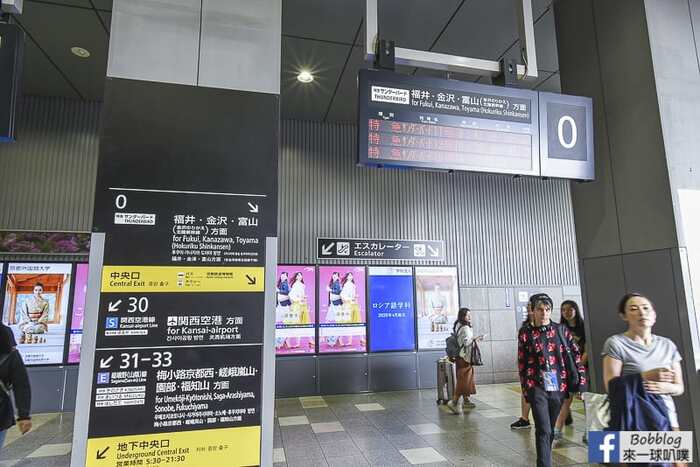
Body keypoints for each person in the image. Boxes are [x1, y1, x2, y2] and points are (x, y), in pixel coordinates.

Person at [517, 293, 586, 467]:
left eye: (547, 309)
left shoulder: (561, 330)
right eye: (540, 309)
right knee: (543, 429)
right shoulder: (525, 333)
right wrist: (525, 390)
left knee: (549, 431)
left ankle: (544, 457)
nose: (544, 313)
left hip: (558, 385)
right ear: (533, 311)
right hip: (536, 385)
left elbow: (576, 356)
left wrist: (582, 384)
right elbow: (522, 363)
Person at [602, 293, 684, 432]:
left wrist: (664, 388)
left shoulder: (667, 344)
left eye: (646, 308)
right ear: (624, 316)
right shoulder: (616, 343)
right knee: (634, 454)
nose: (641, 312)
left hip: (666, 419)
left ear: (654, 315)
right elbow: (611, 387)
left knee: (672, 454)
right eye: (633, 309)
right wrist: (646, 376)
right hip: (632, 419)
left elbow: (679, 387)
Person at [553, 300, 587, 439]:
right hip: (566, 369)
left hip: (583, 368)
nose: (567, 312)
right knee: (566, 399)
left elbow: (588, 349)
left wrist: (578, 365)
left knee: (586, 399)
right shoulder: (560, 328)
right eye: (563, 310)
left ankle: (589, 430)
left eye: (570, 309)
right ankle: (557, 429)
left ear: (576, 310)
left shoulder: (584, 327)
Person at [447, 308, 484, 414]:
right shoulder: (465, 328)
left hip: (460, 356)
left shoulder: (459, 326)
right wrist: (475, 338)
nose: (470, 317)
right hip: (464, 357)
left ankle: (466, 400)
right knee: (464, 380)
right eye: (468, 315)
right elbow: (467, 342)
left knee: (464, 378)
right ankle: (454, 402)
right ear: (463, 316)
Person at [0, 327, 31, 448]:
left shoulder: (11, 355)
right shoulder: (11, 354)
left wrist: (24, 415)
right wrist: (24, 415)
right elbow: (21, 384)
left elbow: (21, 384)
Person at [511, 302, 534, 429]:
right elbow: (522, 350)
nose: (529, 312)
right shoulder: (525, 328)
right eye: (528, 309)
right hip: (528, 367)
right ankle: (525, 418)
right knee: (526, 391)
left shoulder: (553, 328)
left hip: (546, 370)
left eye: (531, 309)